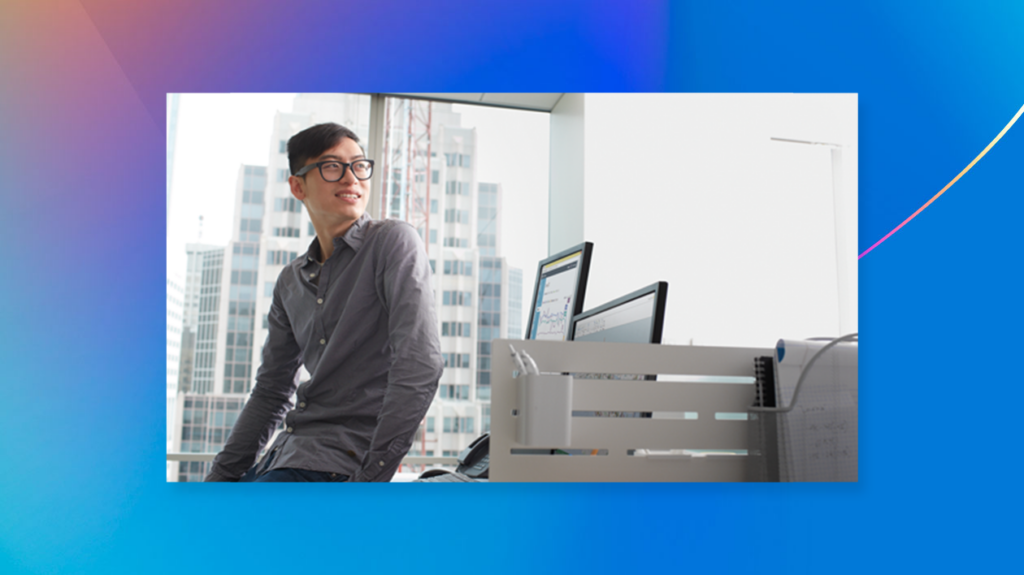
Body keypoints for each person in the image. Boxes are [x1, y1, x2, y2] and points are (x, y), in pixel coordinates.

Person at [205, 123, 443, 482]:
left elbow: (420, 364)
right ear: (297, 186)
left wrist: (368, 484)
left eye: (359, 165)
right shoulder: (291, 281)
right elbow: (271, 391)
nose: (352, 179)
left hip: (339, 464)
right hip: (285, 458)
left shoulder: (393, 242)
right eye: (332, 166)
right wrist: (218, 482)